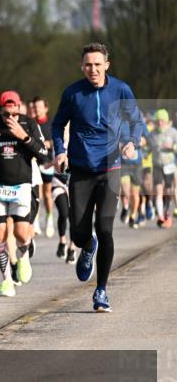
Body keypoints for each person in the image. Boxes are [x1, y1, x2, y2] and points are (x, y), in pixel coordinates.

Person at [52, 42, 143, 312]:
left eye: (97, 64)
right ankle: (86, 245)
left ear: (107, 65)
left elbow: (136, 121)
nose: (93, 69)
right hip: (80, 169)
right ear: (82, 66)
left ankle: (101, 290)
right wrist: (60, 151)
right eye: (88, 65)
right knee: (79, 233)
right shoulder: (72, 93)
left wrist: (132, 142)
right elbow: (57, 124)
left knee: (105, 229)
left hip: (110, 168)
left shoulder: (121, 89)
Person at [0, 91, 50, 297]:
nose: (10, 117)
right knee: (0, 234)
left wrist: (24, 136)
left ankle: (24, 256)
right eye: (5, 113)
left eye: (13, 112)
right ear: (0, 109)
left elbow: (44, 154)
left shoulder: (29, 124)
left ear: (19, 108)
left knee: (21, 233)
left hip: (21, 187)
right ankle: (7, 280)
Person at [30, 97, 57, 238]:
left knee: (47, 194)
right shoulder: (30, 123)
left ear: (45, 108)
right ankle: (35, 221)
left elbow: (56, 140)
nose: (36, 110)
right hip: (35, 163)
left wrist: (48, 143)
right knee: (36, 195)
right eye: (35, 107)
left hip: (47, 163)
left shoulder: (52, 123)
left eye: (39, 107)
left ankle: (50, 218)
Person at [149, 108, 176, 228]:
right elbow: (147, 148)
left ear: (166, 121)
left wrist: (172, 147)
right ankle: (160, 216)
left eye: (162, 120)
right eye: (158, 121)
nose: (160, 123)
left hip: (169, 164)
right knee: (158, 190)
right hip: (157, 165)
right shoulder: (152, 134)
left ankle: (168, 211)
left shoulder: (172, 132)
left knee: (170, 190)